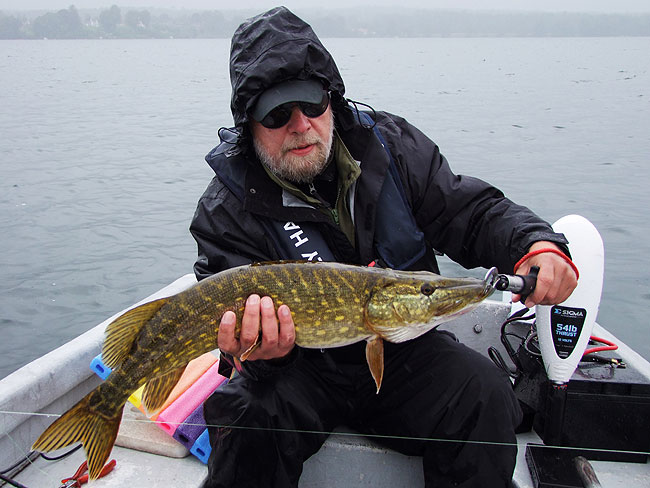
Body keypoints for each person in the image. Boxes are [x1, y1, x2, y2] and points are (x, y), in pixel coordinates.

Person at [190, 7, 578, 488]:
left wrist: (534, 242)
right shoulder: (225, 210)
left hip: (402, 351)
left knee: (485, 395)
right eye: (276, 113)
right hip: (298, 370)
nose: (301, 124)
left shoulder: (389, 148)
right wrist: (262, 353)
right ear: (249, 124)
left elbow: (469, 211)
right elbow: (229, 330)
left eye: (312, 103)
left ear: (331, 99)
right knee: (246, 417)